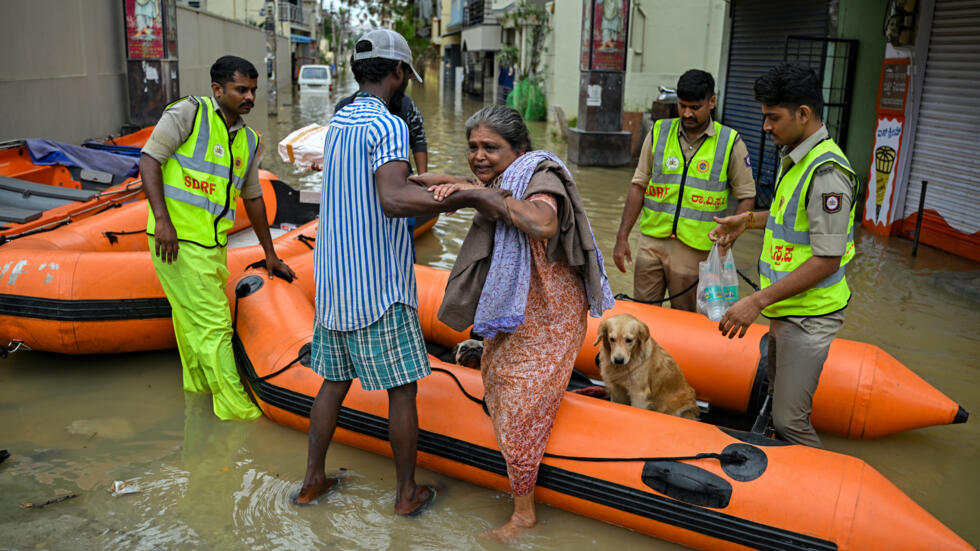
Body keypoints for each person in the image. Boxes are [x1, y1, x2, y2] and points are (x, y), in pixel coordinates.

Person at [294, 29, 512, 514]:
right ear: (398, 73)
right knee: (403, 388)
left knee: (332, 381)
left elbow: (380, 184)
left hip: (333, 280)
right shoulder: (388, 124)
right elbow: (392, 200)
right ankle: (406, 494)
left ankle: (312, 481)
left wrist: (434, 182)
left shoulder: (341, 121)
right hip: (377, 285)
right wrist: (473, 195)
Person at [414, 105, 615, 542]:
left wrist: (472, 193)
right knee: (496, 375)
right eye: (473, 147)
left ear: (519, 148)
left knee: (523, 403)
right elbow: (487, 189)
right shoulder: (503, 180)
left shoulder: (541, 175)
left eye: (491, 147)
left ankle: (525, 513)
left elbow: (542, 220)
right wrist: (447, 183)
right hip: (516, 308)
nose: (479, 155)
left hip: (551, 314)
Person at [709, 63, 859, 448]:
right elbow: (788, 218)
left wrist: (755, 301)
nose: (765, 127)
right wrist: (747, 220)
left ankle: (824, 491)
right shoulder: (796, 158)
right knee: (776, 402)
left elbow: (826, 258)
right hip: (786, 307)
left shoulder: (827, 174)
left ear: (803, 114)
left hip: (809, 314)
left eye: (773, 117)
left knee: (790, 420)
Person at [140, 55, 295, 421]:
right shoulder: (188, 114)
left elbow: (253, 198)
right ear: (218, 89)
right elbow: (150, 159)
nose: (250, 97)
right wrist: (163, 221)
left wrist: (270, 253)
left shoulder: (248, 140)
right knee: (214, 327)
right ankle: (239, 417)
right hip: (176, 241)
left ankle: (198, 403)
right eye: (242, 89)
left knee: (190, 325)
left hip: (213, 247)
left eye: (254, 90)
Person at [613, 69, 756, 312]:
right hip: (651, 243)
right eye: (682, 105)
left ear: (712, 102)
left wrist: (729, 234)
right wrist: (622, 237)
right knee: (642, 317)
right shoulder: (659, 132)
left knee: (686, 319)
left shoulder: (730, 142)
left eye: (695, 107)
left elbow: (747, 196)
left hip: (696, 251)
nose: (687, 113)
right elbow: (638, 186)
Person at [335, 92, 428, 174]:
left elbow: (419, 141)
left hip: (398, 175)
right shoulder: (342, 107)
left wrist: (423, 178)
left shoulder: (406, 105)